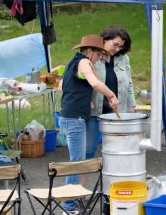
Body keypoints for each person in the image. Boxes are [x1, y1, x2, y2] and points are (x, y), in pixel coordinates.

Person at [58, 34, 119, 193]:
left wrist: (84, 98)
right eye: (98, 54)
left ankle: (72, 198)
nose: (99, 58)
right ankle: (70, 202)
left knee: (77, 159)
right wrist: (111, 95)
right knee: (77, 162)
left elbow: (62, 86)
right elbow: (95, 83)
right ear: (89, 51)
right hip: (75, 118)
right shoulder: (84, 62)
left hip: (69, 115)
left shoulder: (73, 61)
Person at [97, 26, 135, 115]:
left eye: (121, 46)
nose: (117, 49)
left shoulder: (124, 58)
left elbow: (129, 84)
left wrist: (131, 108)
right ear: (104, 40)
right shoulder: (93, 57)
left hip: (119, 112)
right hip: (96, 113)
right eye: (115, 44)